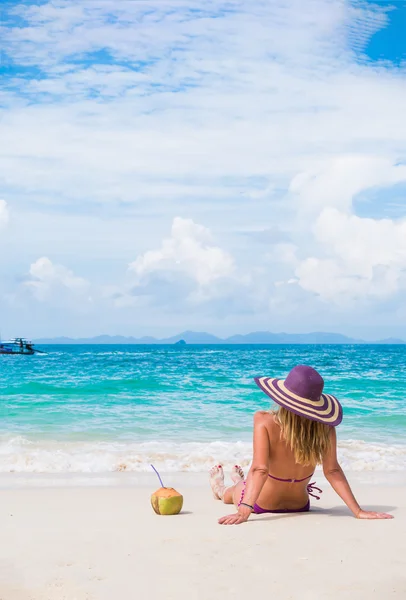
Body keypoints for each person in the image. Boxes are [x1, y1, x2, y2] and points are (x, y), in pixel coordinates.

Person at [209, 365, 393, 524]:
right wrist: (358, 511)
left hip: (261, 503)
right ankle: (236, 480)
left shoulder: (263, 420)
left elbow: (260, 469)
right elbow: (332, 471)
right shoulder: (325, 428)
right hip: (300, 505)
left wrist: (244, 509)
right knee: (244, 482)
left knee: (231, 492)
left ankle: (219, 487)